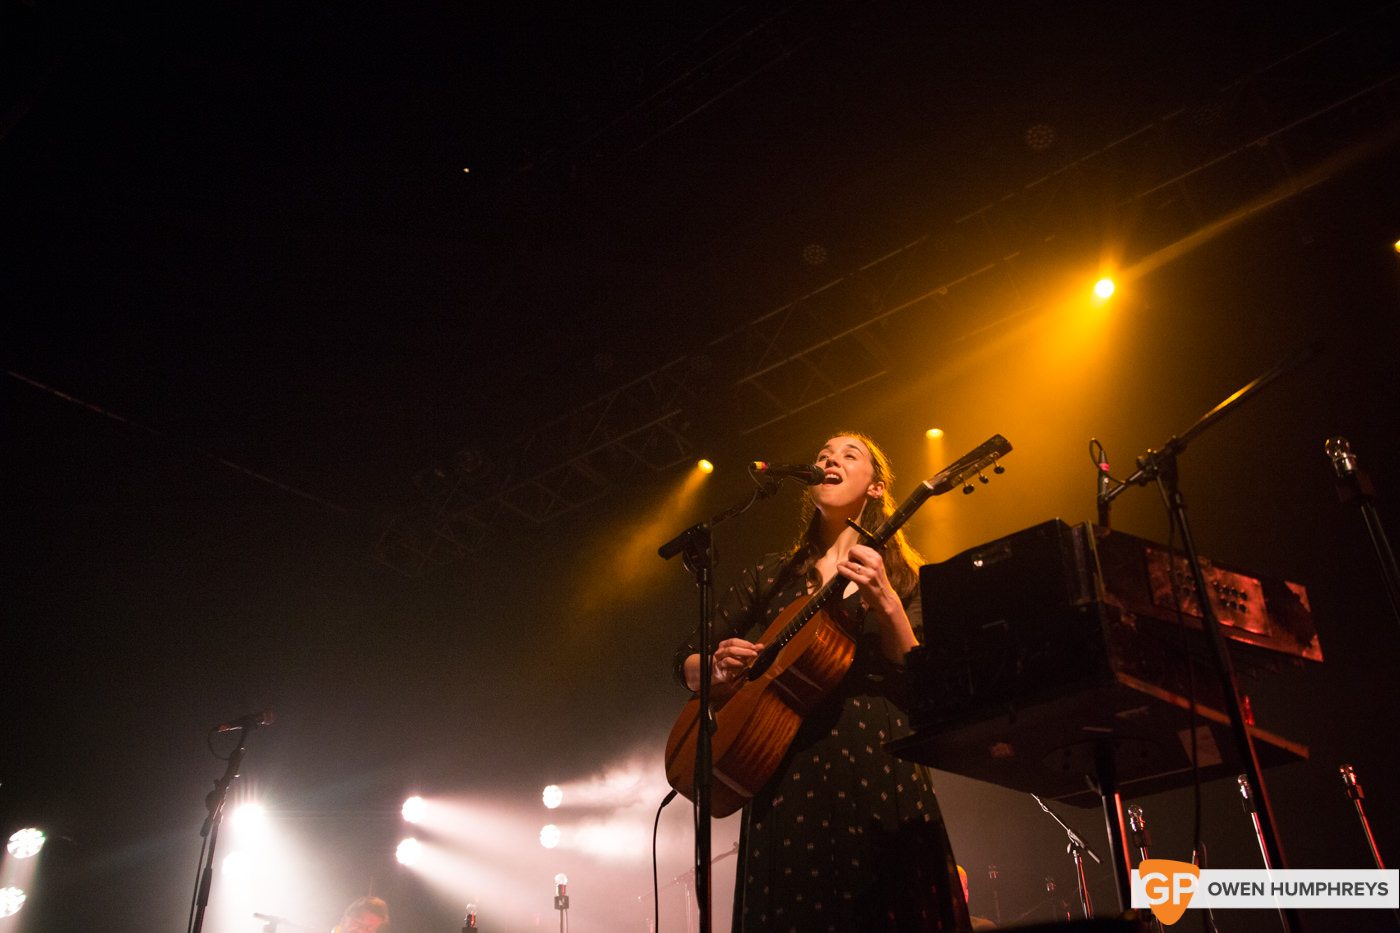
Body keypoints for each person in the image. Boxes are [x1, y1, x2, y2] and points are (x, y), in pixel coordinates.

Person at [671, 432, 970, 932]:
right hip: (783, 759)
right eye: (822, 457)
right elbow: (684, 658)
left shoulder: (908, 578)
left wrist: (888, 604)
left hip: (878, 759)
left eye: (848, 455)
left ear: (875, 489)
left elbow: (928, 682)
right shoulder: (773, 574)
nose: (829, 460)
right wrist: (715, 668)